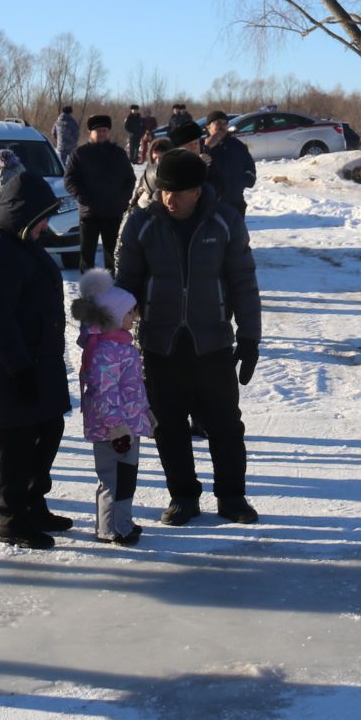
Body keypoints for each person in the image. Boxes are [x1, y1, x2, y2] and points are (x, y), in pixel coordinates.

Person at [114, 148, 263, 527]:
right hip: (160, 345)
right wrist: (114, 337)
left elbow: (243, 282)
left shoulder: (225, 222)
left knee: (225, 425)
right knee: (168, 426)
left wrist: (249, 338)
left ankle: (232, 496)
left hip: (211, 343)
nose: (170, 198)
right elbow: (125, 284)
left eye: (179, 192)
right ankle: (183, 496)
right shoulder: (142, 224)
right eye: (164, 190)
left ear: (198, 191)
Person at [0, 173, 72, 549]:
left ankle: (33, 503)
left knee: (48, 428)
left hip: (36, 358)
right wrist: (20, 369)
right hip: (11, 366)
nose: (46, 225)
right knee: (16, 440)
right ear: (22, 212)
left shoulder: (20, 240)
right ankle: (13, 518)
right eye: (41, 217)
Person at [71, 269, 151, 545]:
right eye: (129, 313)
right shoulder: (106, 351)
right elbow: (104, 394)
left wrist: (145, 411)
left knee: (126, 477)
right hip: (113, 430)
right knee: (114, 478)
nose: (134, 318)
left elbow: (132, 388)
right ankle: (111, 527)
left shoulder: (122, 345)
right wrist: (116, 426)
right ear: (115, 317)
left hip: (127, 424)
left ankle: (122, 521)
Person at [65, 115, 136, 273]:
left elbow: (130, 179)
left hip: (113, 212)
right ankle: (88, 290)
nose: (102, 133)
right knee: (87, 255)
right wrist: (84, 198)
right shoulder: (79, 154)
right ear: (91, 132)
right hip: (89, 213)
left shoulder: (118, 154)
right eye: (98, 131)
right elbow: (69, 181)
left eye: (104, 130)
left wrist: (123, 200)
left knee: (113, 254)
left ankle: (113, 288)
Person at [202, 111, 257, 217]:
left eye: (224, 123)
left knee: (236, 233)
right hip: (210, 205)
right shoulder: (200, 146)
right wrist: (207, 148)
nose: (222, 126)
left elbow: (250, 167)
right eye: (218, 123)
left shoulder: (237, 146)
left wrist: (244, 180)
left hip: (235, 203)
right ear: (208, 127)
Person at [129, 134, 173, 212]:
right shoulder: (147, 177)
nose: (158, 162)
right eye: (155, 158)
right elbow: (134, 205)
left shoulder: (178, 177)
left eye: (161, 158)